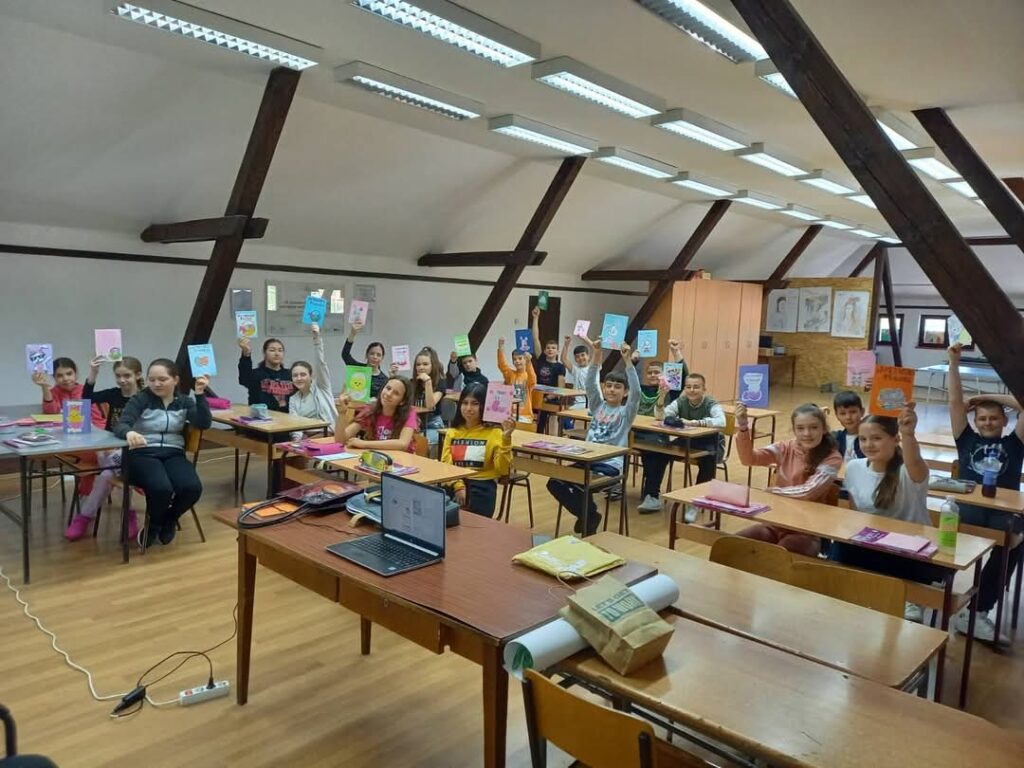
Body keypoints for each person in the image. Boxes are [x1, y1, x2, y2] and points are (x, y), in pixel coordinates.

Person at [831, 405, 943, 621]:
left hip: (909, 550)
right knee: (842, 547)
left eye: (876, 438)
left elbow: (914, 460)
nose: (868, 445)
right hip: (873, 544)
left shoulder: (909, 470)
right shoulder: (854, 467)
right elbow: (856, 515)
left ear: (895, 439)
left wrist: (908, 433)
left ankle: (909, 598)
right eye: (863, 439)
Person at [948, 343, 1024, 642]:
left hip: (1001, 511)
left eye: (994, 418)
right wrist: (954, 363)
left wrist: (988, 398)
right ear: (975, 422)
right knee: (939, 529)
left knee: (1014, 544)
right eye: (982, 418)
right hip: (968, 508)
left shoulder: (1014, 444)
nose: (988, 422)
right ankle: (930, 588)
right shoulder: (966, 439)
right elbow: (955, 403)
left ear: (1005, 421)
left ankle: (976, 612)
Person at [546, 339, 639, 536]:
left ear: (625, 392)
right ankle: (590, 515)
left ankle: (588, 517)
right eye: (609, 386)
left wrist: (627, 361)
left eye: (617, 387)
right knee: (555, 481)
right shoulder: (597, 406)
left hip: (610, 465)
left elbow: (637, 393)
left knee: (581, 484)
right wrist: (596, 354)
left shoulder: (626, 412)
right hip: (587, 459)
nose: (612, 390)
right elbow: (590, 383)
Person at [115, 359, 212, 548]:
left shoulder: (184, 401)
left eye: (162, 379)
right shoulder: (140, 399)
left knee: (192, 488)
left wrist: (200, 395)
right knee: (161, 488)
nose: (156, 384)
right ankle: (152, 527)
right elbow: (121, 424)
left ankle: (168, 519)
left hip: (173, 453)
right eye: (152, 380)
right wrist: (129, 433)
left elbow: (203, 423)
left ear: (175, 380)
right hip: (142, 454)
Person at [734, 402, 842, 555]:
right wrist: (743, 427)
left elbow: (808, 491)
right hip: (775, 523)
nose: (807, 433)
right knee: (733, 546)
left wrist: (774, 492)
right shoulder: (785, 447)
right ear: (794, 430)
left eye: (813, 427)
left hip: (805, 530)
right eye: (800, 428)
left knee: (778, 557)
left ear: (824, 429)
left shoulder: (832, 458)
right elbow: (749, 459)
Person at [65, 356, 145, 541]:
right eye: (118, 376)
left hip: (134, 449)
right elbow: (86, 398)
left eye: (127, 375)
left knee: (107, 475)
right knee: (114, 469)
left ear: (138, 375)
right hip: (109, 447)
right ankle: (129, 515)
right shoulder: (114, 394)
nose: (122, 380)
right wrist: (94, 372)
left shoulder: (146, 397)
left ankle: (84, 517)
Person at [638, 372, 725, 515]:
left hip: (711, 443)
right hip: (687, 440)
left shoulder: (711, 403)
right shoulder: (681, 401)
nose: (692, 390)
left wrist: (694, 423)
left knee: (708, 461)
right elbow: (660, 417)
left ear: (704, 389)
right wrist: (661, 398)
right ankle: (652, 496)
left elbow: (721, 422)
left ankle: (697, 502)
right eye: (688, 387)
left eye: (696, 387)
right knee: (658, 453)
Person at [441, 382, 514, 518]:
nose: (469, 408)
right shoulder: (452, 432)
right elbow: (446, 464)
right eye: (465, 403)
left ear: (484, 406)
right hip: (455, 483)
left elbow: (502, 470)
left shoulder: (495, 433)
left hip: (482, 487)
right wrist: (458, 486)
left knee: (471, 524)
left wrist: (506, 439)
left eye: (475, 403)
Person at [335, 375, 418, 452]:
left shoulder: (409, 412)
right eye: (388, 388)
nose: (389, 394)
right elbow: (340, 441)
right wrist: (342, 413)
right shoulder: (370, 410)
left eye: (396, 393)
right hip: (377, 458)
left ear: (402, 401)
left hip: (403, 459)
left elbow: (402, 444)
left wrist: (364, 444)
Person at [288, 323, 338, 431]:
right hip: (306, 437)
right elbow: (294, 425)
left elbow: (320, 363)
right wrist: (297, 440)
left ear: (311, 376)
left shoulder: (322, 387)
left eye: (303, 374)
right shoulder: (293, 399)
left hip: (327, 434)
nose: (299, 378)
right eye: (295, 375)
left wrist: (317, 340)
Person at [36, 356, 106, 428]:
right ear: (54, 377)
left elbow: (97, 419)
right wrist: (44, 387)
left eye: (69, 374)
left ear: (75, 374)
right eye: (60, 376)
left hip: (92, 429)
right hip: (63, 431)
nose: (65, 379)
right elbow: (50, 413)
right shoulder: (52, 392)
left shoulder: (85, 391)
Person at [530, 306, 567, 434]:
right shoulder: (541, 359)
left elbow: (560, 388)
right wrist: (535, 318)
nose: (550, 350)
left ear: (557, 351)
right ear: (545, 351)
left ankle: (541, 435)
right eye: (548, 348)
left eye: (553, 348)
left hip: (550, 399)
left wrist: (546, 398)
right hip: (536, 395)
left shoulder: (560, 367)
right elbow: (535, 338)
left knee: (544, 417)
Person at [238, 337, 293, 411]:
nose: (277, 354)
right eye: (272, 350)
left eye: (280, 350)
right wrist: (246, 354)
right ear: (264, 353)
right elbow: (244, 379)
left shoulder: (290, 374)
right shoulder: (256, 374)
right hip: (261, 416)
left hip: (287, 416)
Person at [342, 319, 388, 399]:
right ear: (367, 355)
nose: (375, 357)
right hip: (354, 405)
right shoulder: (358, 369)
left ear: (382, 358)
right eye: (372, 353)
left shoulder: (384, 379)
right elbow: (345, 354)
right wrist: (352, 334)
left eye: (378, 355)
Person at [411, 347, 445, 447]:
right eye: (418, 365)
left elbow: (430, 405)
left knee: (418, 443)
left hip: (433, 425)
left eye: (425, 364)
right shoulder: (412, 382)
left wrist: (428, 382)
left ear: (433, 366)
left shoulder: (440, 382)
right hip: (415, 424)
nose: (421, 367)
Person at [497, 337, 536, 422]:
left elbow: (532, 377)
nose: (517, 361)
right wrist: (501, 348)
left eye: (520, 358)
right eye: (514, 359)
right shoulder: (511, 374)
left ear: (525, 360)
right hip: (510, 414)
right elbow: (502, 365)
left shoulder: (528, 376)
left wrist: (529, 362)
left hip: (525, 416)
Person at [832, 390, 866, 463]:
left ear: (862, 412)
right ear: (836, 415)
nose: (848, 417)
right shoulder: (837, 438)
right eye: (842, 413)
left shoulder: (870, 438)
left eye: (853, 412)